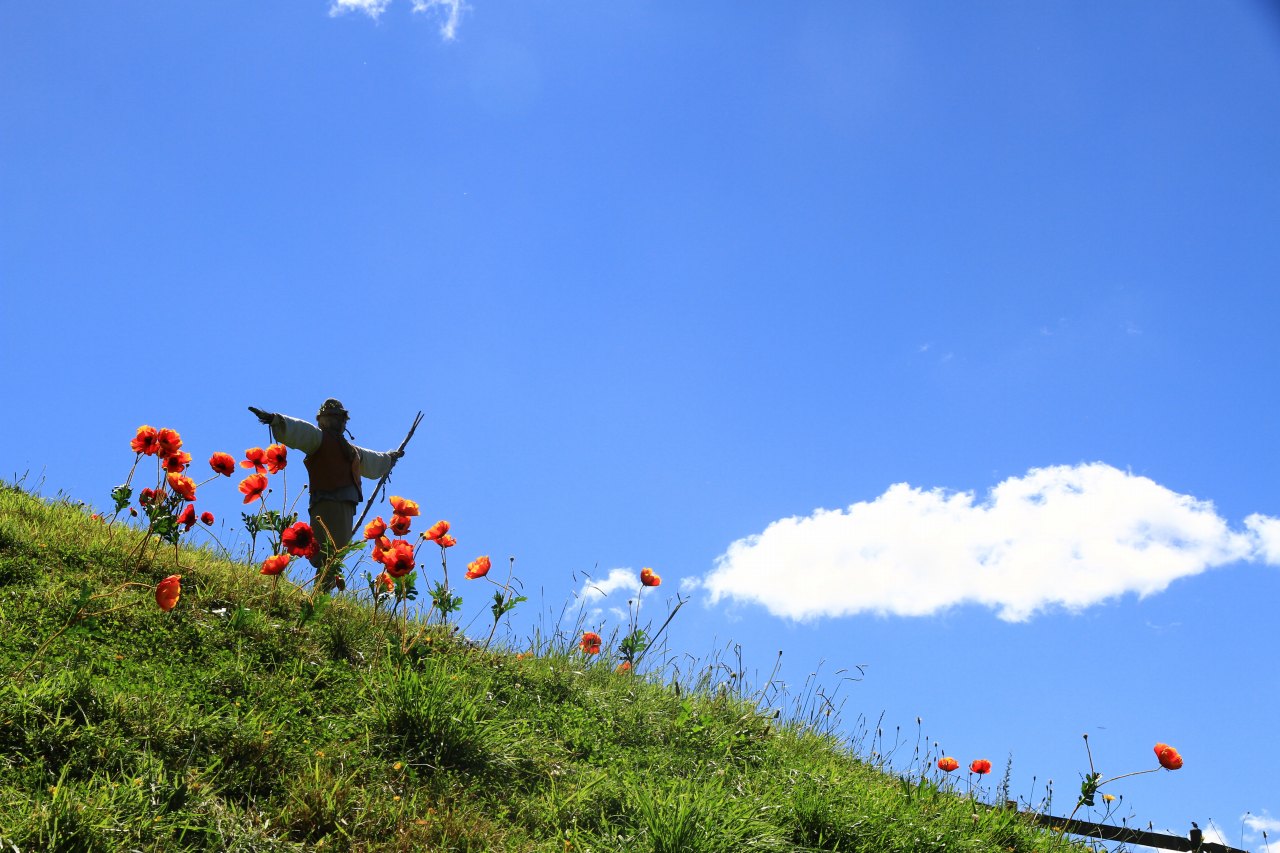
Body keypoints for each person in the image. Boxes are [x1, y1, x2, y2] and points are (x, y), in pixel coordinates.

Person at [248, 399, 404, 592]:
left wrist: (389, 458)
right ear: (322, 420)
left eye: (340, 417)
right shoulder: (319, 439)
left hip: (347, 504)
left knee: (337, 550)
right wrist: (276, 420)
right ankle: (319, 592)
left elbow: (372, 460)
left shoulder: (351, 450)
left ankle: (322, 591)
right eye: (332, 417)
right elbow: (301, 431)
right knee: (328, 551)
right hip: (326, 501)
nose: (336, 421)